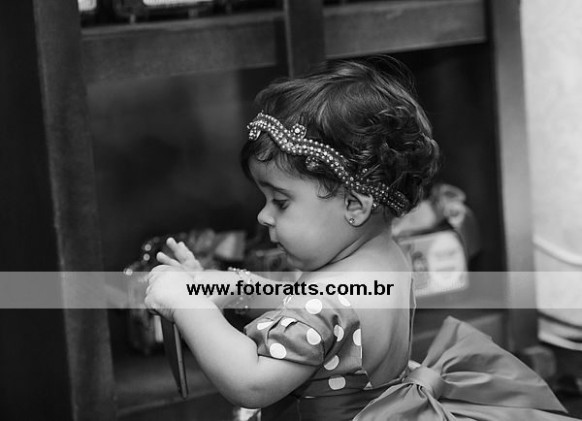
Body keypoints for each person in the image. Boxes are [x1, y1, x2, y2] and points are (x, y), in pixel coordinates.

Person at [144, 58, 577, 420]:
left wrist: (188, 307)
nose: (264, 215)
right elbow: (304, 308)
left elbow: (251, 382)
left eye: (281, 201)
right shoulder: (385, 260)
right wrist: (227, 288)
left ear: (354, 205)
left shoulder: (328, 298)